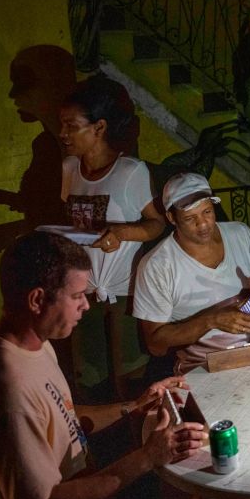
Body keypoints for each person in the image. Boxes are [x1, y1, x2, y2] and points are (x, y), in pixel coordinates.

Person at [0, 231, 206, 499]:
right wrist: (148, 457)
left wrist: (136, 405)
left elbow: (62, 417)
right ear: (37, 300)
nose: (86, 305)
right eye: (76, 296)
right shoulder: (8, 391)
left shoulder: (33, 345)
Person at [59, 74, 165, 399]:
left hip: (124, 292)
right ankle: (101, 446)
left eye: (71, 126)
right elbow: (72, 223)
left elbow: (157, 224)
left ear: (99, 127)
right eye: (61, 125)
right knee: (88, 377)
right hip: (83, 290)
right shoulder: (68, 169)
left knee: (130, 377)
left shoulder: (130, 172)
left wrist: (121, 232)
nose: (62, 134)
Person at [133, 172, 250, 374]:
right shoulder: (156, 266)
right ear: (171, 218)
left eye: (207, 212)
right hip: (200, 368)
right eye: (190, 218)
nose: (202, 224)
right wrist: (212, 320)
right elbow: (155, 344)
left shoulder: (240, 234)